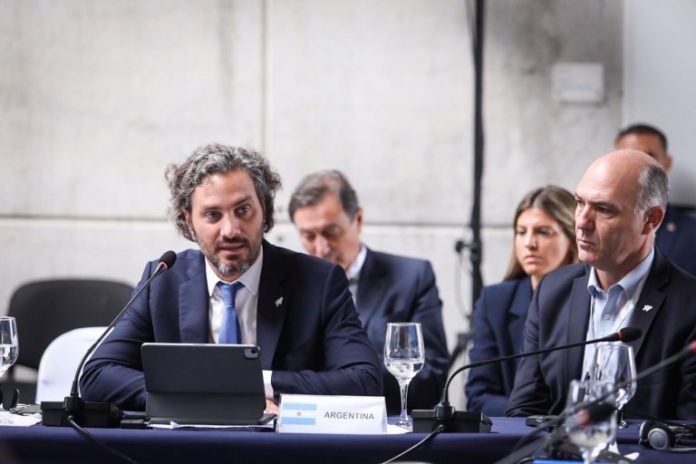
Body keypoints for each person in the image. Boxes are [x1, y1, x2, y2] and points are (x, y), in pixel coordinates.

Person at [80, 144, 382, 411]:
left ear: (263, 209)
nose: (231, 230)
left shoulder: (319, 281)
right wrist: (201, 396)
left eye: (243, 210)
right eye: (213, 215)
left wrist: (254, 384)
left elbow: (365, 380)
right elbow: (97, 375)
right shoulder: (162, 280)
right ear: (189, 221)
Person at [506, 150, 696, 419]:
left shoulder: (689, 307)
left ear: (651, 220)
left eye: (603, 209)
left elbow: (690, 435)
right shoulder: (552, 290)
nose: (582, 222)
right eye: (579, 202)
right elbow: (524, 411)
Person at [288, 170, 449, 413]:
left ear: (358, 220)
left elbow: (431, 378)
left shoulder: (412, 277)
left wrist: (347, 380)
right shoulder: (289, 285)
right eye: (308, 236)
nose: (321, 248)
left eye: (331, 232)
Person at [465, 186, 577, 417]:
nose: (529, 243)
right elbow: (478, 396)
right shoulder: (495, 301)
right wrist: (535, 419)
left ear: (573, 239)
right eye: (521, 231)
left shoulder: (593, 298)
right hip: (515, 436)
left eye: (543, 232)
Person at [616, 123, 696, 276]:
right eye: (629, 156)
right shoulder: (593, 226)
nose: (638, 165)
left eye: (649, 156)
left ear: (667, 162)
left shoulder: (692, 235)